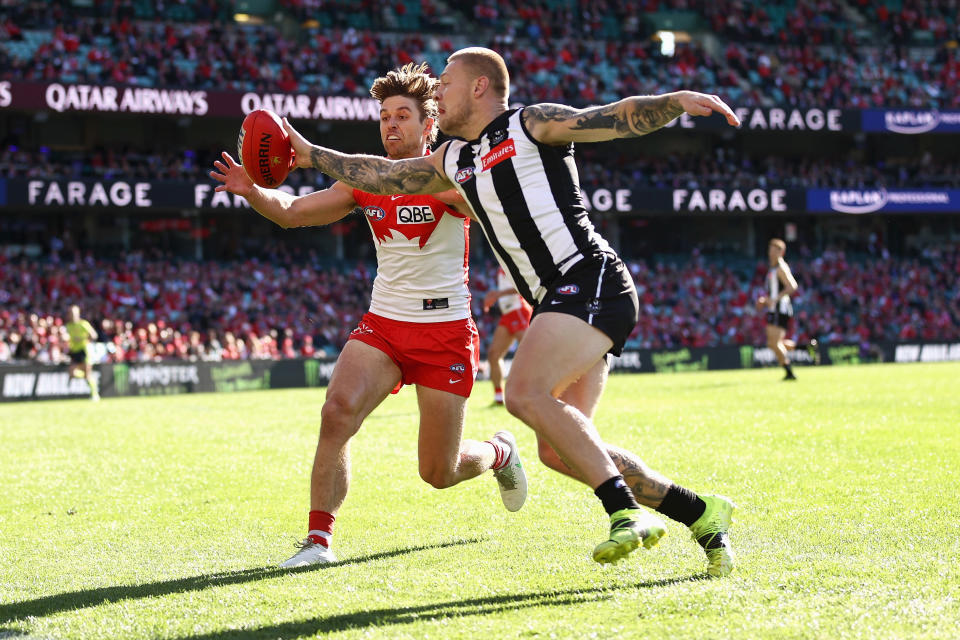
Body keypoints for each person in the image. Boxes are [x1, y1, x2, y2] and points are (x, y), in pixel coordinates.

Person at [281, 48, 740, 577]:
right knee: (562, 451)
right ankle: (701, 513)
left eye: (446, 83)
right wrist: (312, 155)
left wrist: (674, 101)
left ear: (479, 88)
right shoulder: (452, 161)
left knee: (523, 393)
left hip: (588, 278)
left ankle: (623, 513)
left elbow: (610, 119)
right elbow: (383, 176)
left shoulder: (529, 123)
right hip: (558, 299)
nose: (437, 93)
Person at [210, 62, 527, 568]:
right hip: (383, 324)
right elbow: (293, 212)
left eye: (402, 115)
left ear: (429, 125)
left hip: (444, 331)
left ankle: (499, 453)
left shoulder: (449, 176)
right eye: (383, 116)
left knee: (438, 472)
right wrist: (253, 192)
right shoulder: (366, 182)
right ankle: (317, 541)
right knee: (336, 412)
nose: (390, 125)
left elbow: (491, 204)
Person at [482, 266, 532, 405]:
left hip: (518, 310)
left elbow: (525, 285)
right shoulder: (501, 261)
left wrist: (498, 294)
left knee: (532, 352)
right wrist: (496, 295)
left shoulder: (514, 258)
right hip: (508, 314)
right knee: (493, 354)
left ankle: (544, 391)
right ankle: (499, 398)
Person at [755, 238, 800, 380]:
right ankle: (805, 350)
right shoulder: (773, 268)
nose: (771, 252)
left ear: (781, 252)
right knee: (772, 343)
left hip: (780, 309)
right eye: (770, 249)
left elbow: (792, 286)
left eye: (775, 250)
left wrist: (774, 299)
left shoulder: (781, 267)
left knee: (774, 343)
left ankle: (789, 372)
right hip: (775, 308)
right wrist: (766, 300)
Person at [65, 305, 100, 401]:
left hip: (84, 351)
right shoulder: (69, 326)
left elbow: (94, 335)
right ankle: (88, 378)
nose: (73, 315)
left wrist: (82, 339)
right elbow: (66, 337)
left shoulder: (83, 324)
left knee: (88, 374)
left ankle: (95, 394)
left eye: (74, 313)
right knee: (72, 373)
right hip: (74, 351)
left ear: (78, 314)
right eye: (71, 313)